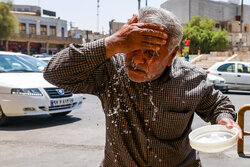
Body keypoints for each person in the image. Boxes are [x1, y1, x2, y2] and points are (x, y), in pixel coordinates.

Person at [44, 7, 242, 167]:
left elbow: (218, 104)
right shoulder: (110, 70)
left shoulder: (191, 78)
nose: (137, 59)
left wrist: (225, 119)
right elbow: (54, 73)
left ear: (172, 56)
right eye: (132, 48)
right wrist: (111, 43)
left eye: (151, 53)